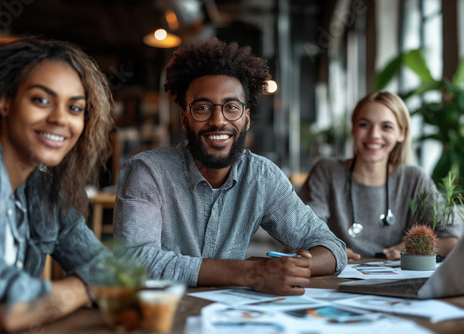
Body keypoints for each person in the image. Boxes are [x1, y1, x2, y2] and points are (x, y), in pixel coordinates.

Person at [114, 38, 347, 296]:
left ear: (246, 119)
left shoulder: (261, 176)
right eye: (202, 108)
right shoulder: (149, 171)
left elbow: (331, 247)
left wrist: (291, 268)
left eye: (231, 108)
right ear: (184, 118)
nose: (218, 120)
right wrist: (251, 273)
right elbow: (133, 262)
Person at [0, 37, 115, 332]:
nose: (60, 118)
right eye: (41, 100)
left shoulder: (45, 190)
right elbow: (4, 310)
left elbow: (109, 270)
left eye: (74, 108)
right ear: (5, 102)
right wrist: (85, 288)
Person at [298, 91, 462, 260]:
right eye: (364, 124)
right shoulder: (327, 171)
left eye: (386, 127)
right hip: (334, 277)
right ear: (353, 128)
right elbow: (304, 229)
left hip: (398, 281)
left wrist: (412, 247)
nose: (374, 135)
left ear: (401, 133)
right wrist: (330, 250)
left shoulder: (414, 178)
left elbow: (451, 239)